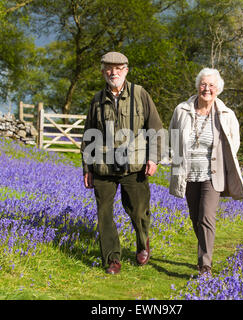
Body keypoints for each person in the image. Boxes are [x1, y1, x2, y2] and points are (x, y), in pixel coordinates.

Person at [81, 52, 164, 275]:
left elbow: (156, 128)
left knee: (138, 212)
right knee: (104, 214)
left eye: (118, 68)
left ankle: (142, 242)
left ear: (126, 70)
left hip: (134, 165)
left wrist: (154, 157)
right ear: (103, 72)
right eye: (109, 68)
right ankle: (112, 259)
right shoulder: (97, 100)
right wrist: (87, 168)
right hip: (103, 167)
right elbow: (88, 135)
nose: (113, 72)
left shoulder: (140, 94)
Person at [168, 68, 243, 275]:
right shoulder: (181, 110)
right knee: (195, 218)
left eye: (211, 85)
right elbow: (173, 138)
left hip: (213, 174)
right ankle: (204, 250)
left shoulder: (227, 114)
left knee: (206, 217)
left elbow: (234, 143)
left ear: (218, 89)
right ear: (197, 86)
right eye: (203, 84)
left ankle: (205, 265)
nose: (207, 89)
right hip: (188, 173)